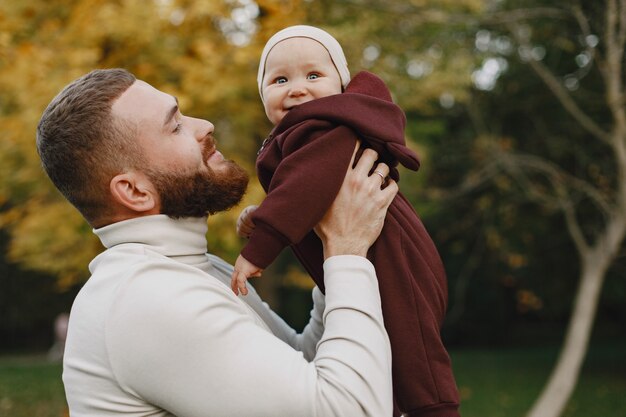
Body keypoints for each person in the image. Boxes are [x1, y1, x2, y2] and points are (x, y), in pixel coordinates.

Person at [36, 68, 399, 416]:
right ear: (134, 191)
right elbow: (349, 410)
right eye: (175, 125)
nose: (204, 126)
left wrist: (329, 242)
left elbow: (304, 362)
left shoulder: (188, 271)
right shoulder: (150, 299)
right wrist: (347, 253)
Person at [231, 25, 460, 417]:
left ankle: (437, 408)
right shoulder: (308, 131)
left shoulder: (326, 127)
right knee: (387, 345)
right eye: (280, 79)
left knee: (412, 348)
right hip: (382, 251)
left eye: (313, 75)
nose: (297, 88)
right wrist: (263, 214)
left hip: (394, 254)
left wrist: (261, 246)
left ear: (341, 84)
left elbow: (306, 183)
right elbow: (306, 193)